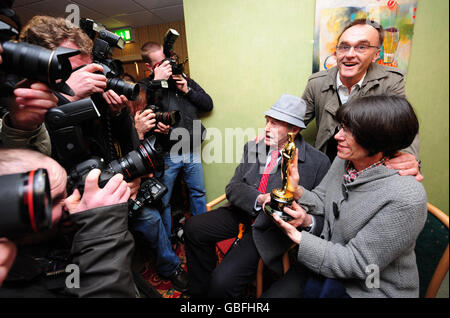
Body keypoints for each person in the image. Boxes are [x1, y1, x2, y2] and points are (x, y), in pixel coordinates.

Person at [262, 95, 427, 298]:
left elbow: (358, 263)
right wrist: (296, 190)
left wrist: (298, 237)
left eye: (349, 131)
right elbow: (322, 200)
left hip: (370, 287)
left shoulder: (406, 196)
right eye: (341, 127)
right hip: (330, 264)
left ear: (378, 139)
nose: (338, 136)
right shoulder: (345, 161)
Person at [183, 94, 331, 297]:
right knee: (193, 227)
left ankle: (215, 289)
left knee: (222, 282)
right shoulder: (252, 147)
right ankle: (201, 293)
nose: (267, 128)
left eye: (276, 124)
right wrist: (260, 199)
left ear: (294, 130)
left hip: (270, 228)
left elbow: (319, 211)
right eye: (267, 121)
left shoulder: (318, 163)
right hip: (243, 210)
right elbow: (233, 188)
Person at [0, 148, 136, 297]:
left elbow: (74, 281)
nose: (70, 200)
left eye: (68, 189)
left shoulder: (52, 237)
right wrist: (101, 229)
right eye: (55, 200)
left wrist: (85, 224)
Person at [301, 19, 422, 181]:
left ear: (375, 54)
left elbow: (402, 125)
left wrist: (407, 158)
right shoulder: (316, 82)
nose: (350, 54)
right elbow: (295, 119)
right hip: (327, 167)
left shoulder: (391, 81)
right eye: (344, 46)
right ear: (336, 51)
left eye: (361, 47)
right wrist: (271, 133)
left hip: (367, 171)